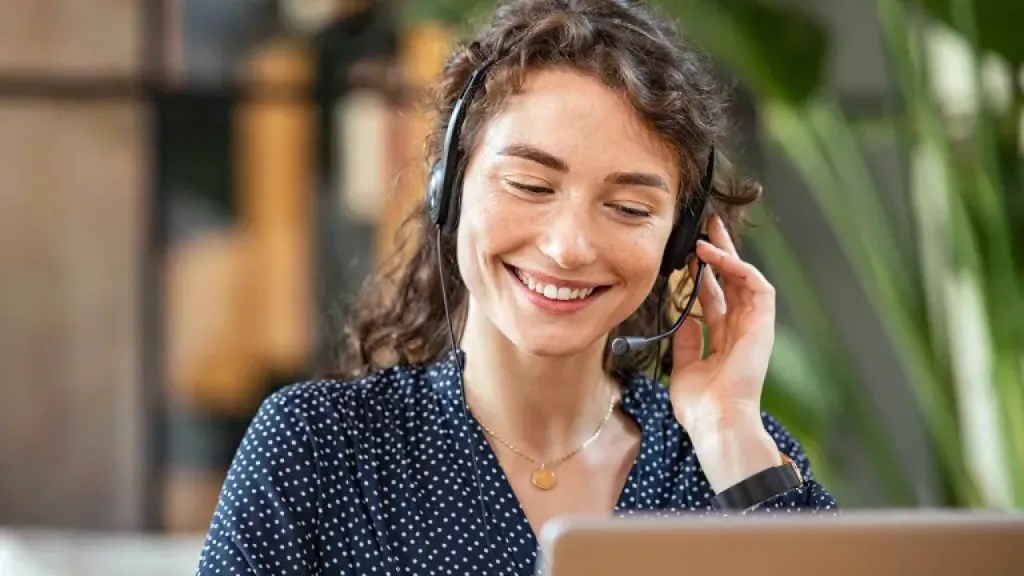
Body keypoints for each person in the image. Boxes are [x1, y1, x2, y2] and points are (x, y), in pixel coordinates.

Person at [196, 0, 837, 574]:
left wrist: (728, 432)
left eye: (630, 208)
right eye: (530, 185)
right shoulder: (320, 448)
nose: (567, 247)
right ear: (448, 190)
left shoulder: (734, 463)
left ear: (676, 241)